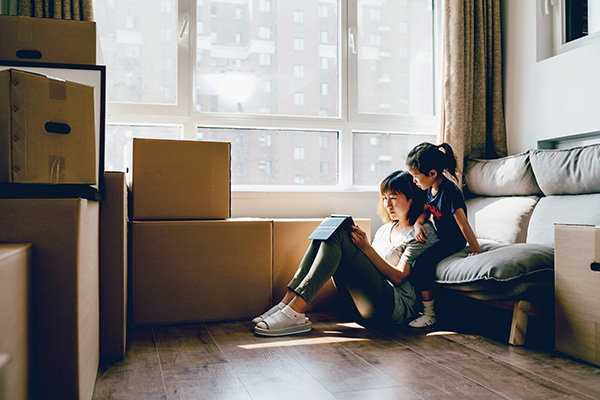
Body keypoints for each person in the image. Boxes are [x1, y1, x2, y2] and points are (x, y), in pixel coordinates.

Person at [252, 170, 438, 336]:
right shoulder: (385, 229)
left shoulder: (421, 233)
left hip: (395, 308)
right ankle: (287, 303)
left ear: (411, 200)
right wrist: (358, 247)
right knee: (330, 230)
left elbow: (399, 277)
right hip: (363, 304)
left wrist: (365, 248)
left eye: (394, 198)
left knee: (339, 234)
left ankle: (295, 311)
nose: (388, 204)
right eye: (384, 198)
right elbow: (370, 268)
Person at [405, 142, 482, 328]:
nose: (414, 181)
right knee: (410, 257)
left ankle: (430, 314)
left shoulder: (450, 192)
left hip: (453, 241)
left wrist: (477, 251)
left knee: (420, 265)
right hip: (440, 237)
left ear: (432, 173)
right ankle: (415, 306)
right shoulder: (430, 189)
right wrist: (418, 224)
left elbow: (463, 225)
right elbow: (425, 210)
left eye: (416, 177)